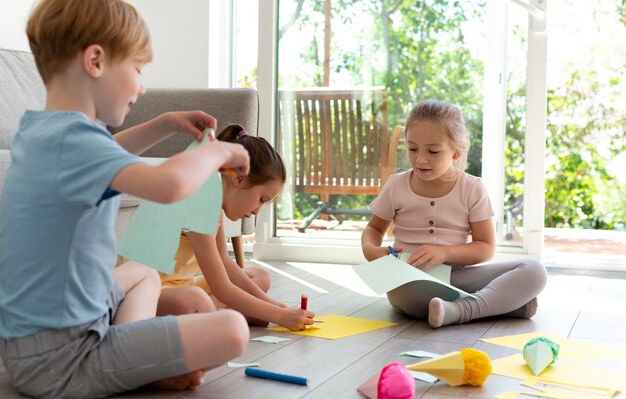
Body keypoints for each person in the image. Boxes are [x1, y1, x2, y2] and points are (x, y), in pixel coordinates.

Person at [0, 0, 253, 397]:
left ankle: (134, 356)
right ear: (96, 60)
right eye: (137, 69)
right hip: (65, 360)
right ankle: (133, 366)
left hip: (31, 347)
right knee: (233, 329)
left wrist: (165, 124)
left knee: (143, 272)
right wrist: (218, 152)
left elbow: (106, 155)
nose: (142, 87)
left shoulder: (42, 130)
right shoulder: (77, 141)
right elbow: (171, 185)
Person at [361, 100, 547, 329]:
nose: (420, 158)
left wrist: (444, 253)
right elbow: (374, 229)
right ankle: (502, 304)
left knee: (534, 271)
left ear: (457, 151)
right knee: (412, 294)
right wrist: (371, 251)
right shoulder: (396, 185)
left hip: (459, 277)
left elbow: (485, 247)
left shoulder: (472, 188)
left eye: (433, 151)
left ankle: (457, 310)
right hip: (411, 280)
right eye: (412, 148)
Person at [120, 124, 315, 331]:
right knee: (194, 300)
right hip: (146, 291)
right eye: (260, 199)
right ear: (238, 178)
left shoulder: (212, 197)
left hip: (181, 284)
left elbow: (223, 259)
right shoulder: (197, 199)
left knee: (260, 276)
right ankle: (218, 314)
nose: (257, 210)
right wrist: (280, 315)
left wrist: (273, 305)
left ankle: (217, 313)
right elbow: (222, 287)